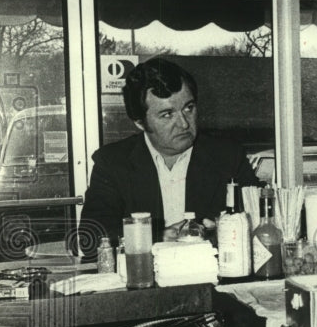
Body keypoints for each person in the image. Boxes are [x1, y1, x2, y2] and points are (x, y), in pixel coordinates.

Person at [77, 57, 259, 255]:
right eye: (167, 114)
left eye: (189, 108)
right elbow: (89, 239)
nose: (184, 124)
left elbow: (260, 219)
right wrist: (159, 237)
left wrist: (224, 231)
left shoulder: (227, 156)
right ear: (139, 123)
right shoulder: (113, 162)